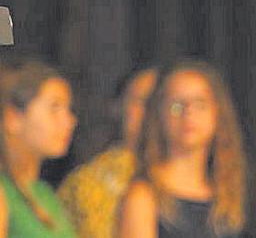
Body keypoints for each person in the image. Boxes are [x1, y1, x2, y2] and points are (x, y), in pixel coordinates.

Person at [116, 61, 247, 238]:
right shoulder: (143, 198)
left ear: (218, 113)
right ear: (159, 115)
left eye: (200, 104)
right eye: (177, 106)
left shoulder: (231, 195)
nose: (189, 114)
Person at [0, 59, 77, 238]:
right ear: (13, 117)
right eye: (54, 108)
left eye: (68, 109)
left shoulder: (43, 192)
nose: (69, 121)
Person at [56, 65, 156, 238]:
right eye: (141, 101)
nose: (152, 113)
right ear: (118, 107)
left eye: (160, 103)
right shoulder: (87, 183)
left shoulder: (198, 178)